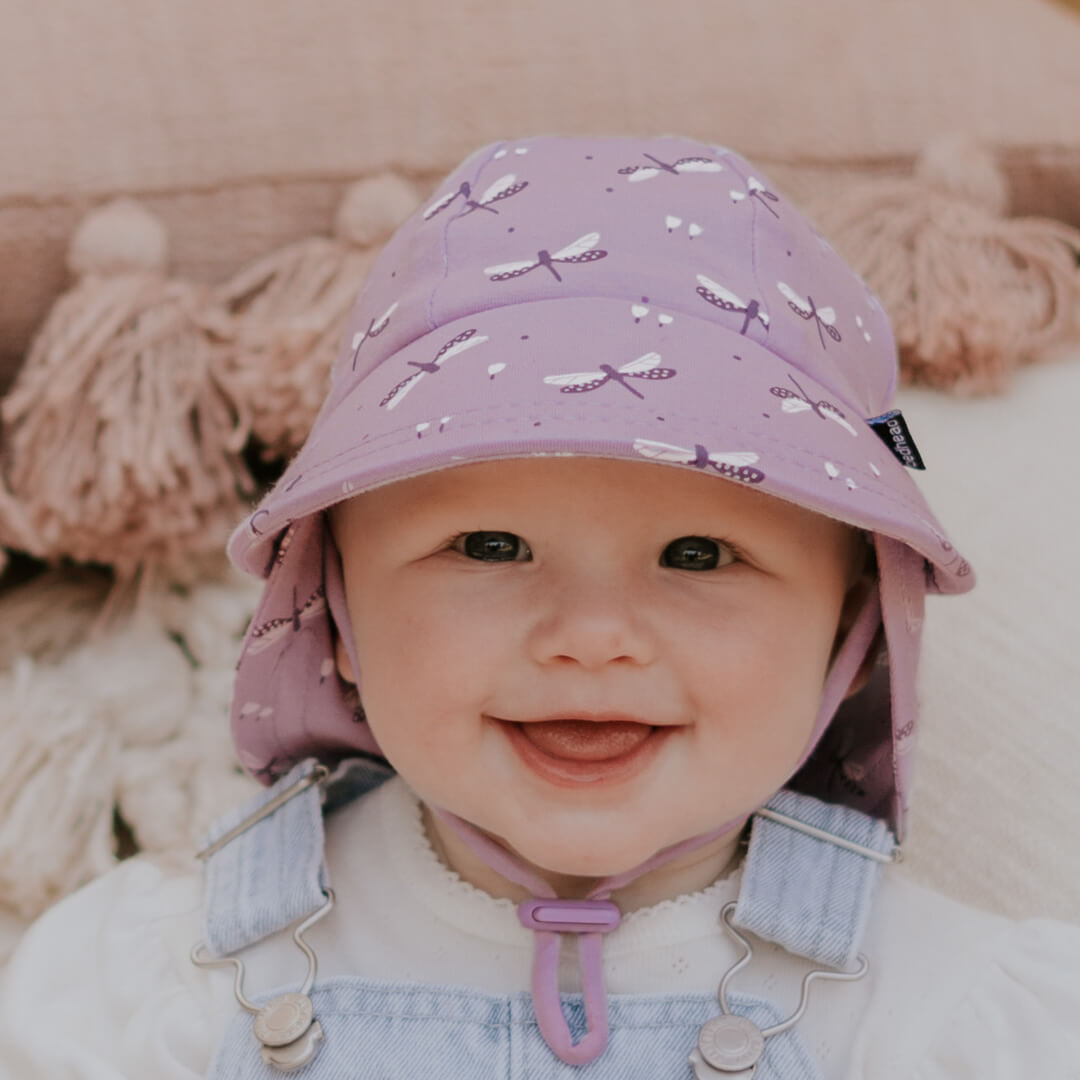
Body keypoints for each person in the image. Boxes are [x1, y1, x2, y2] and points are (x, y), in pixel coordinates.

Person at [1, 133, 1078, 1079]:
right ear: (332, 598)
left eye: (700, 553)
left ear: (851, 624)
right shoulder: (165, 978)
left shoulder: (940, 1017)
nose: (591, 640)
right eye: (489, 545)